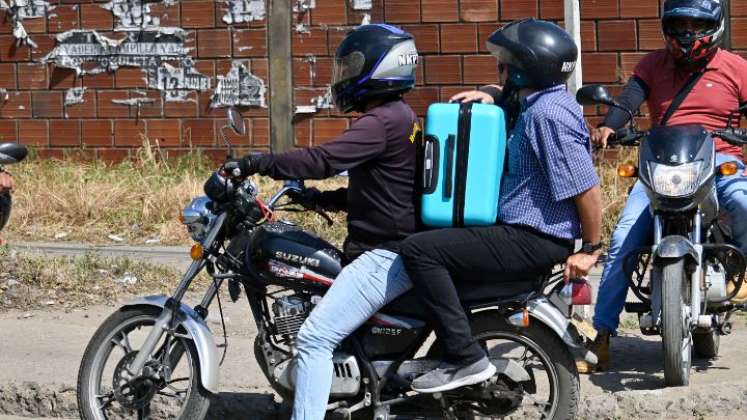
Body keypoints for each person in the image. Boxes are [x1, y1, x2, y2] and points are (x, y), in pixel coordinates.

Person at [224, 24, 420, 420]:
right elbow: (385, 190)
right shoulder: (399, 116)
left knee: (314, 339)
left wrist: (257, 162)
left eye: (351, 66)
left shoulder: (380, 122)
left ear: (379, 69)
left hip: (384, 256)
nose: (344, 76)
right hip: (389, 246)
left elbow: (322, 160)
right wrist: (319, 198)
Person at [399, 18, 603, 393]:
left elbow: (586, 188)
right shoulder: (542, 101)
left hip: (532, 237)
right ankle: (449, 350)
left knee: (420, 252)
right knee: (439, 244)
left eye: (505, 66)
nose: (501, 71)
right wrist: (490, 94)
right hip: (526, 232)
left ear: (526, 71)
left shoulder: (548, 115)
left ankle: (464, 357)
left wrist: (591, 249)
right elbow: (507, 95)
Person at [580, 0, 747, 373]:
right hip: (662, 160)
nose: (686, 34)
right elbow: (628, 101)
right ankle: (602, 336)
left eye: (695, 25)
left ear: (713, 26)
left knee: (741, 200)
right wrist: (609, 126)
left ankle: (741, 271)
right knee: (624, 236)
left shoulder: (736, 67)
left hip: (717, 158)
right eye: (679, 25)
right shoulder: (652, 65)